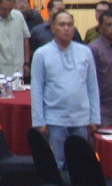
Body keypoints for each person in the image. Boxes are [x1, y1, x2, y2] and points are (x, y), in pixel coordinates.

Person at [30, 11, 101, 170]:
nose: (67, 29)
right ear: (53, 28)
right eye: (62, 25)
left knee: (80, 165)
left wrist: (94, 117)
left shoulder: (85, 52)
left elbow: (92, 87)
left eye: (70, 25)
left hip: (81, 120)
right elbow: (36, 90)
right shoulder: (42, 54)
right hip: (55, 119)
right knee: (57, 163)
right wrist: (39, 121)